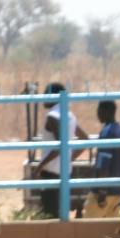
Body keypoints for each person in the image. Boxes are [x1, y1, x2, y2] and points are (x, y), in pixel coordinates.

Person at [33, 81, 89, 219]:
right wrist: (69, 158)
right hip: (64, 172)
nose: (43, 98)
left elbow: (59, 146)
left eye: (46, 94)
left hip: (50, 172)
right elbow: (85, 139)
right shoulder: (70, 115)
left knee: (50, 214)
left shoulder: (52, 116)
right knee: (59, 213)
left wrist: (39, 167)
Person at [84, 100, 120, 218]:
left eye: (99, 111)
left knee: (88, 226)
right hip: (118, 189)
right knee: (113, 228)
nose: (98, 114)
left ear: (107, 111)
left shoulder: (107, 132)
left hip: (104, 191)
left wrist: (102, 191)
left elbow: (103, 164)